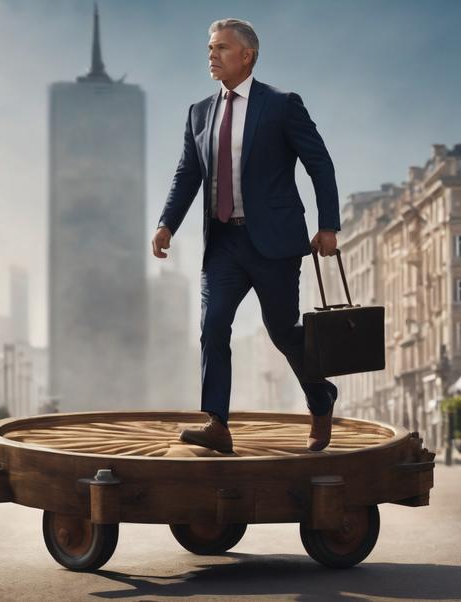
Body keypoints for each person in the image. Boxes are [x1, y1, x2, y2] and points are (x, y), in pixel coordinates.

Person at [151, 18, 340, 453]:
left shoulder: (282, 104)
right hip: (223, 243)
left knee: (283, 331)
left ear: (247, 55)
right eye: (209, 48)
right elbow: (187, 174)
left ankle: (320, 396)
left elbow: (320, 163)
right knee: (213, 324)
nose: (211, 55)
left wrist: (328, 224)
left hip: (274, 242)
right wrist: (166, 224)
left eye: (220, 48)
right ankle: (217, 421)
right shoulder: (199, 112)